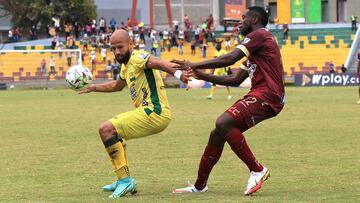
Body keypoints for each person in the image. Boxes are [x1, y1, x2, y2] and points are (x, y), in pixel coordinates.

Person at [172, 6, 285, 195]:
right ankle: (200, 186)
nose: (239, 22)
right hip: (262, 94)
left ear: (255, 19)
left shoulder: (259, 35)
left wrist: (194, 64)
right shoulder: (256, 49)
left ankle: (257, 169)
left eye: (243, 18)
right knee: (217, 133)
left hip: (268, 95)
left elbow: (230, 58)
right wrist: (203, 75)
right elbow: (234, 79)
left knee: (223, 122)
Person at [79, 29, 191, 199]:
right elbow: (116, 86)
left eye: (120, 47)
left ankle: (125, 181)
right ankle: (122, 179)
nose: (117, 52)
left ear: (131, 44)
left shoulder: (139, 57)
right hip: (147, 112)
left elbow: (159, 63)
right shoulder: (127, 66)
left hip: (155, 112)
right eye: (113, 48)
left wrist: (179, 74)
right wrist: (93, 87)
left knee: (106, 129)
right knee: (115, 135)